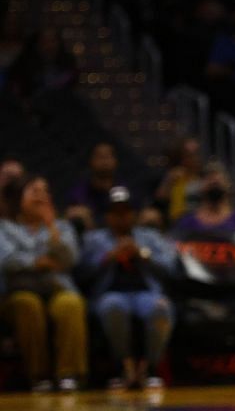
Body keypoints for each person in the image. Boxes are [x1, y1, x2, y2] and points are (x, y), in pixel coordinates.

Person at [79, 187, 179, 390]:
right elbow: (81, 272)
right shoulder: (94, 239)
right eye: (116, 213)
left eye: (125, 212)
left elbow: (171, 267)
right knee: (113, 306)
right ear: (107, 216)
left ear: (133, 214)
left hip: (146, 293)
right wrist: (109, 257)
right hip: (111, 293)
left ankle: (149, 368)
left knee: (161, 308)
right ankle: (123, 367)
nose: (121, 217)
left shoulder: (149, 236)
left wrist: (143, 254)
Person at [0, 175, 87, 391]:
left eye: (45, 191)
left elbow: (70, 259)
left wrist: (51, 227)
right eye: (34, 191)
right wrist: (39, 262)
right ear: (19, 198)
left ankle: (69, 374)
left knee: (71, 304)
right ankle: (38, 375)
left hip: (58, 288)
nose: (42, 196)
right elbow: (6, 260)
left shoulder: (62, 227)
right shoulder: (5, 228)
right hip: (19, 290)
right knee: (28, 304)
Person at [170, 163, 235, 239]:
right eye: (211, 183)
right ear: (201, 187)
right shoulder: (187, 221)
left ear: (228, 186)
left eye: (218, 183)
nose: (215, 185)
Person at [64, 141, 123, 230]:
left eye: (108, 157)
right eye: (100, 157)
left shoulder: (124, 190)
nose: (104, 161)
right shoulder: (79, 191)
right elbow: (69, 214)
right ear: (91, 161)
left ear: (115, 161)